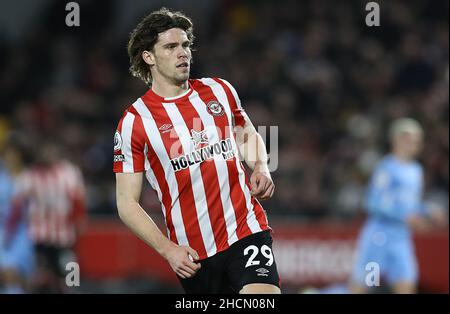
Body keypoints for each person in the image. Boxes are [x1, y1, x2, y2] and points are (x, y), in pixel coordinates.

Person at [114, 8, 280, 294]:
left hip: (245, 229)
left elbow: (248, 134)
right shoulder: (134, 122)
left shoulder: (219, 90)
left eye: (185, 45)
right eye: (171, 47)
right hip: (194, 252)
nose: (183, 53)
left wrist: (261, 166)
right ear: (149, 57)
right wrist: (168, 250)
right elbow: (127, 203)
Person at [350, 118, 447, 294]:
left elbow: (410, 204)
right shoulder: (386, 168)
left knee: (406, 284)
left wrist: (428, 210)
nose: (413, 144)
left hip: (401, 237)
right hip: (378, 237)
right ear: (396, 140)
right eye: (408, 139)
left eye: (417, 140)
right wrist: (403, 216)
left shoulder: (416, 170)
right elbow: (372, 203)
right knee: (364, 286)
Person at [21, 140, 87, 293]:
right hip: (39, 236)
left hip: (64, 235)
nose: (48, 155)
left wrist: (79, 222)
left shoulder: (69, 173)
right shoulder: (30, 175)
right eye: (44, 152)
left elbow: (78, 200)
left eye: (51, 152)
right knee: (40, 276)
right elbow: (18, 203)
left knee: (70, 271)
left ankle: (72, 290)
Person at [0, 141, 35, 293]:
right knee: (7, 271)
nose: (10, 158)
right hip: (3, 231)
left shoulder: (29, 178)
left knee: (22, 275)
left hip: (24, 232)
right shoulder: (1, 177)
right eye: (7, 154)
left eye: (14, 154)